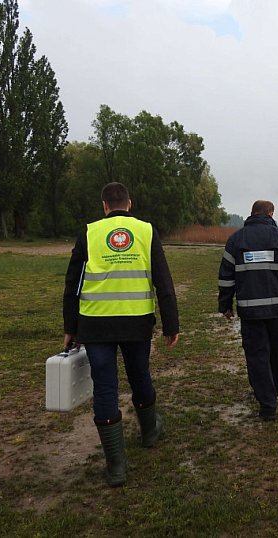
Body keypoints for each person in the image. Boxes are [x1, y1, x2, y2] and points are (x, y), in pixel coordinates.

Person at [63, 182, 179, 487]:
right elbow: (163, 281)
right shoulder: (146, 231)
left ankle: (116, 466)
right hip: (136, 322)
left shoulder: (89, 232)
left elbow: (72, 284)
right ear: (129, 204)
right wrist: (171, 325)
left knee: (105, 386)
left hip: (95, 324)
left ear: (104, 206)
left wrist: (70, 328)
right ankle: (150, 432)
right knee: (139, 374)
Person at [218, 200, 278, 421]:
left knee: (257, 356)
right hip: (277, 310)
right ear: (270, 213)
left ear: (252, 213)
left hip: (250, 312)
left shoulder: (235, 240)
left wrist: (225, 305)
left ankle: (267, 405)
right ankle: (277, 388)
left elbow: (226, 277)